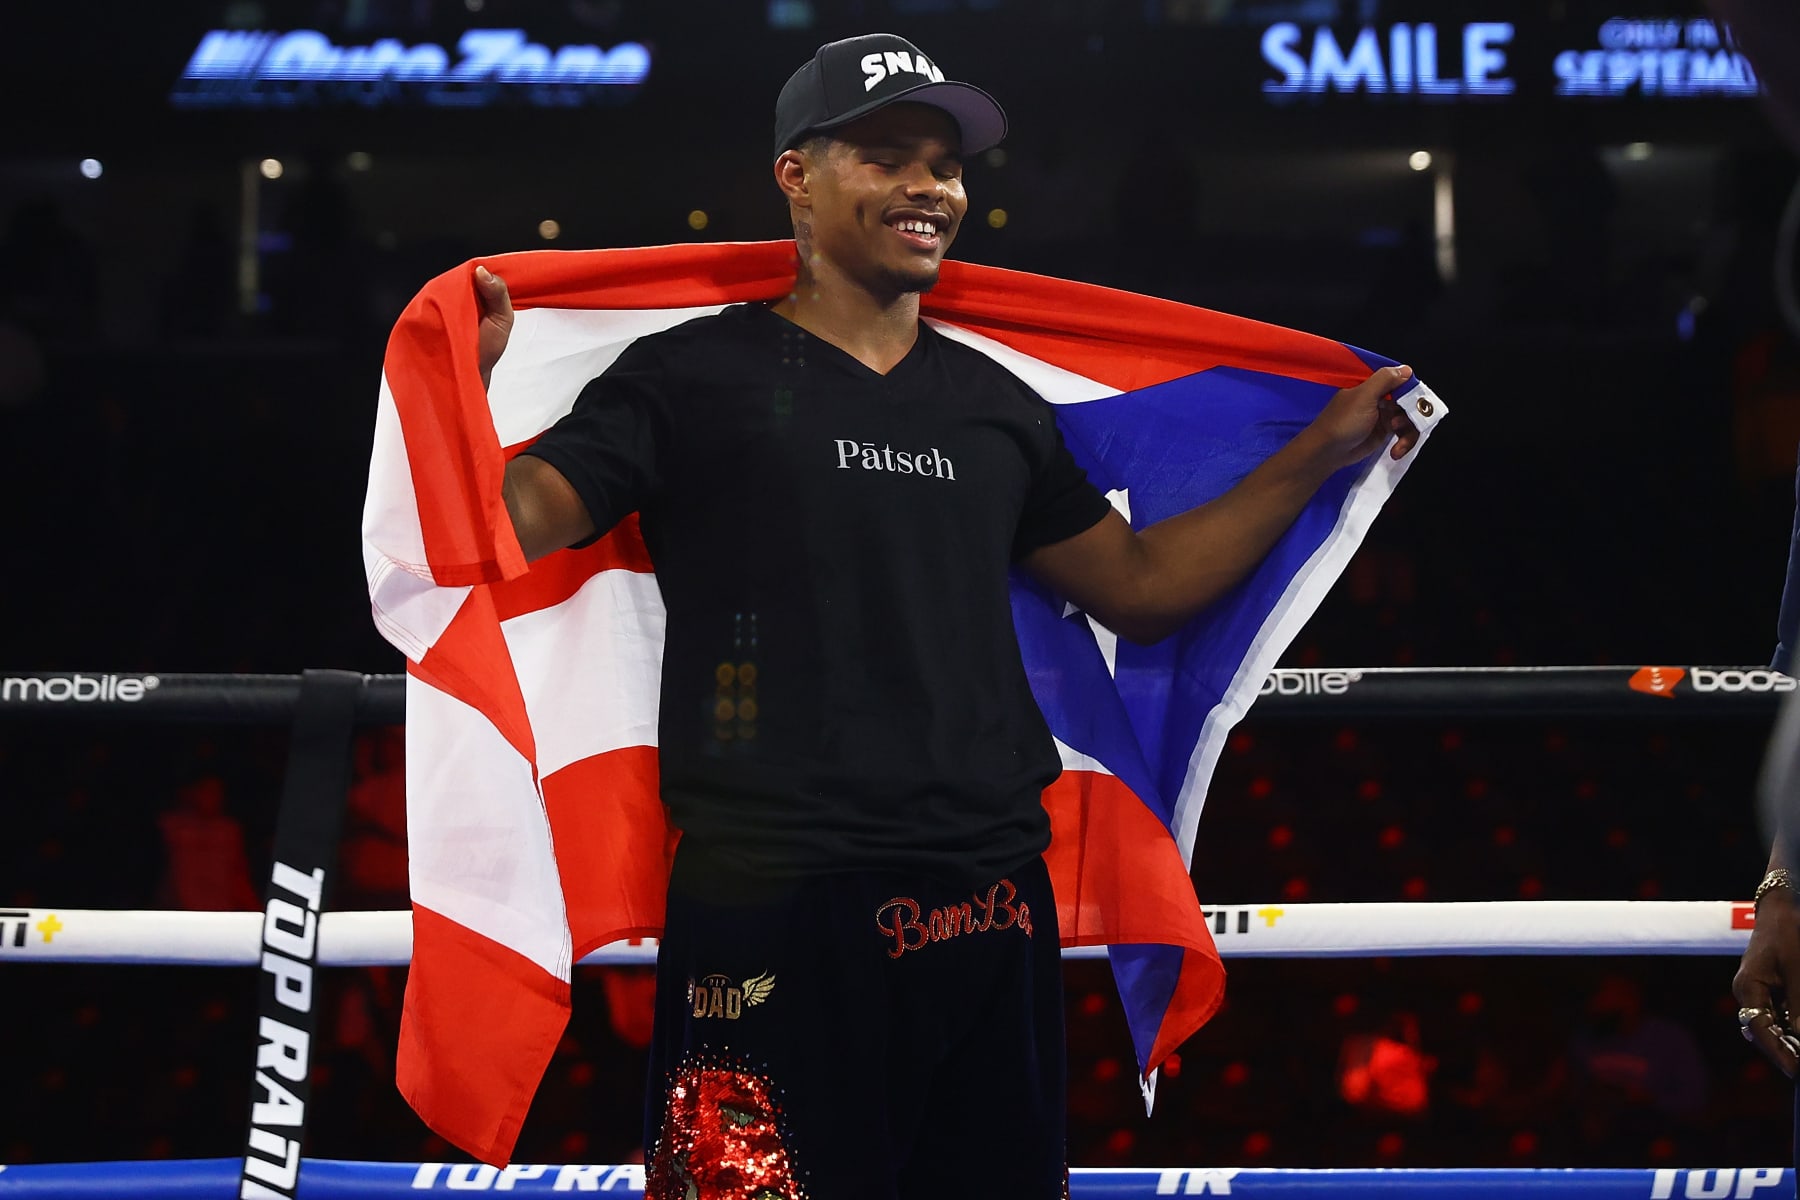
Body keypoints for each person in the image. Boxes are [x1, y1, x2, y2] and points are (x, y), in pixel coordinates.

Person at [475, 32, 1419, 1198]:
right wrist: (466, 397)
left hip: (985, 900)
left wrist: (1319, 453)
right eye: (888, 156)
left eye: (948, 165)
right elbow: (512, 522)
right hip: (774, 904)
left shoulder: (995, 406)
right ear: (796, 175)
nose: (933, 186)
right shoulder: (688, 378)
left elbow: (1142, 588)